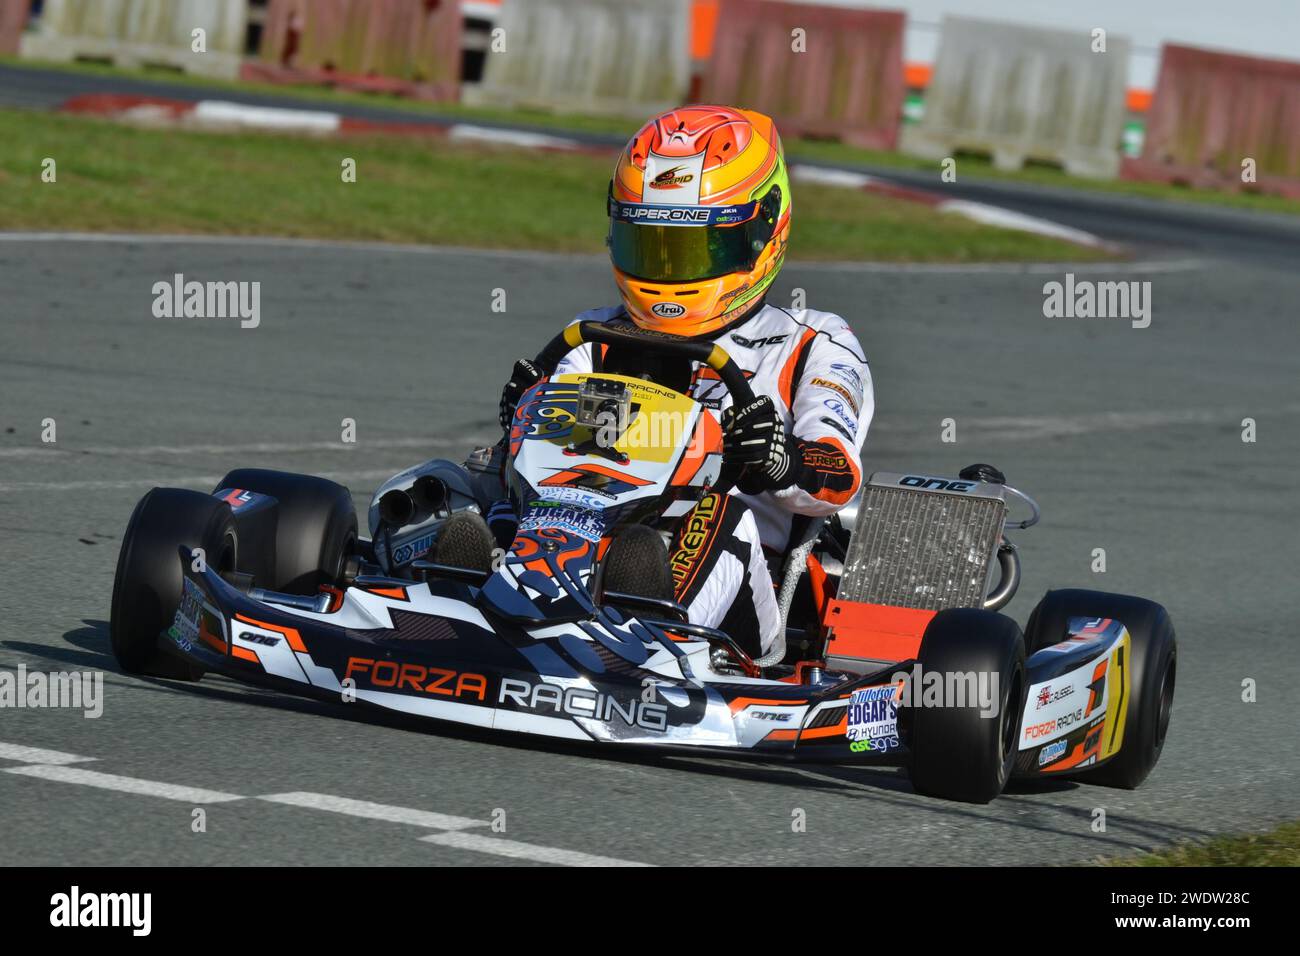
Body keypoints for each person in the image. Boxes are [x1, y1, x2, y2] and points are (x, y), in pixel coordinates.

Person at [497, 105, 873, 659]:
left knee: (719, 516)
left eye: (693, 250)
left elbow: (837, 476)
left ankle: (642, 632)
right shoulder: (596, 337)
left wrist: (779, 461)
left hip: (743, 581)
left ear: (761, 228)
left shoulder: (814, 342)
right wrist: (526, 417)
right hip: (578, 538)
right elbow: (554, 467)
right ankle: (463, 589)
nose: (668, 272)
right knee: (469, 483)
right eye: (652, 248)